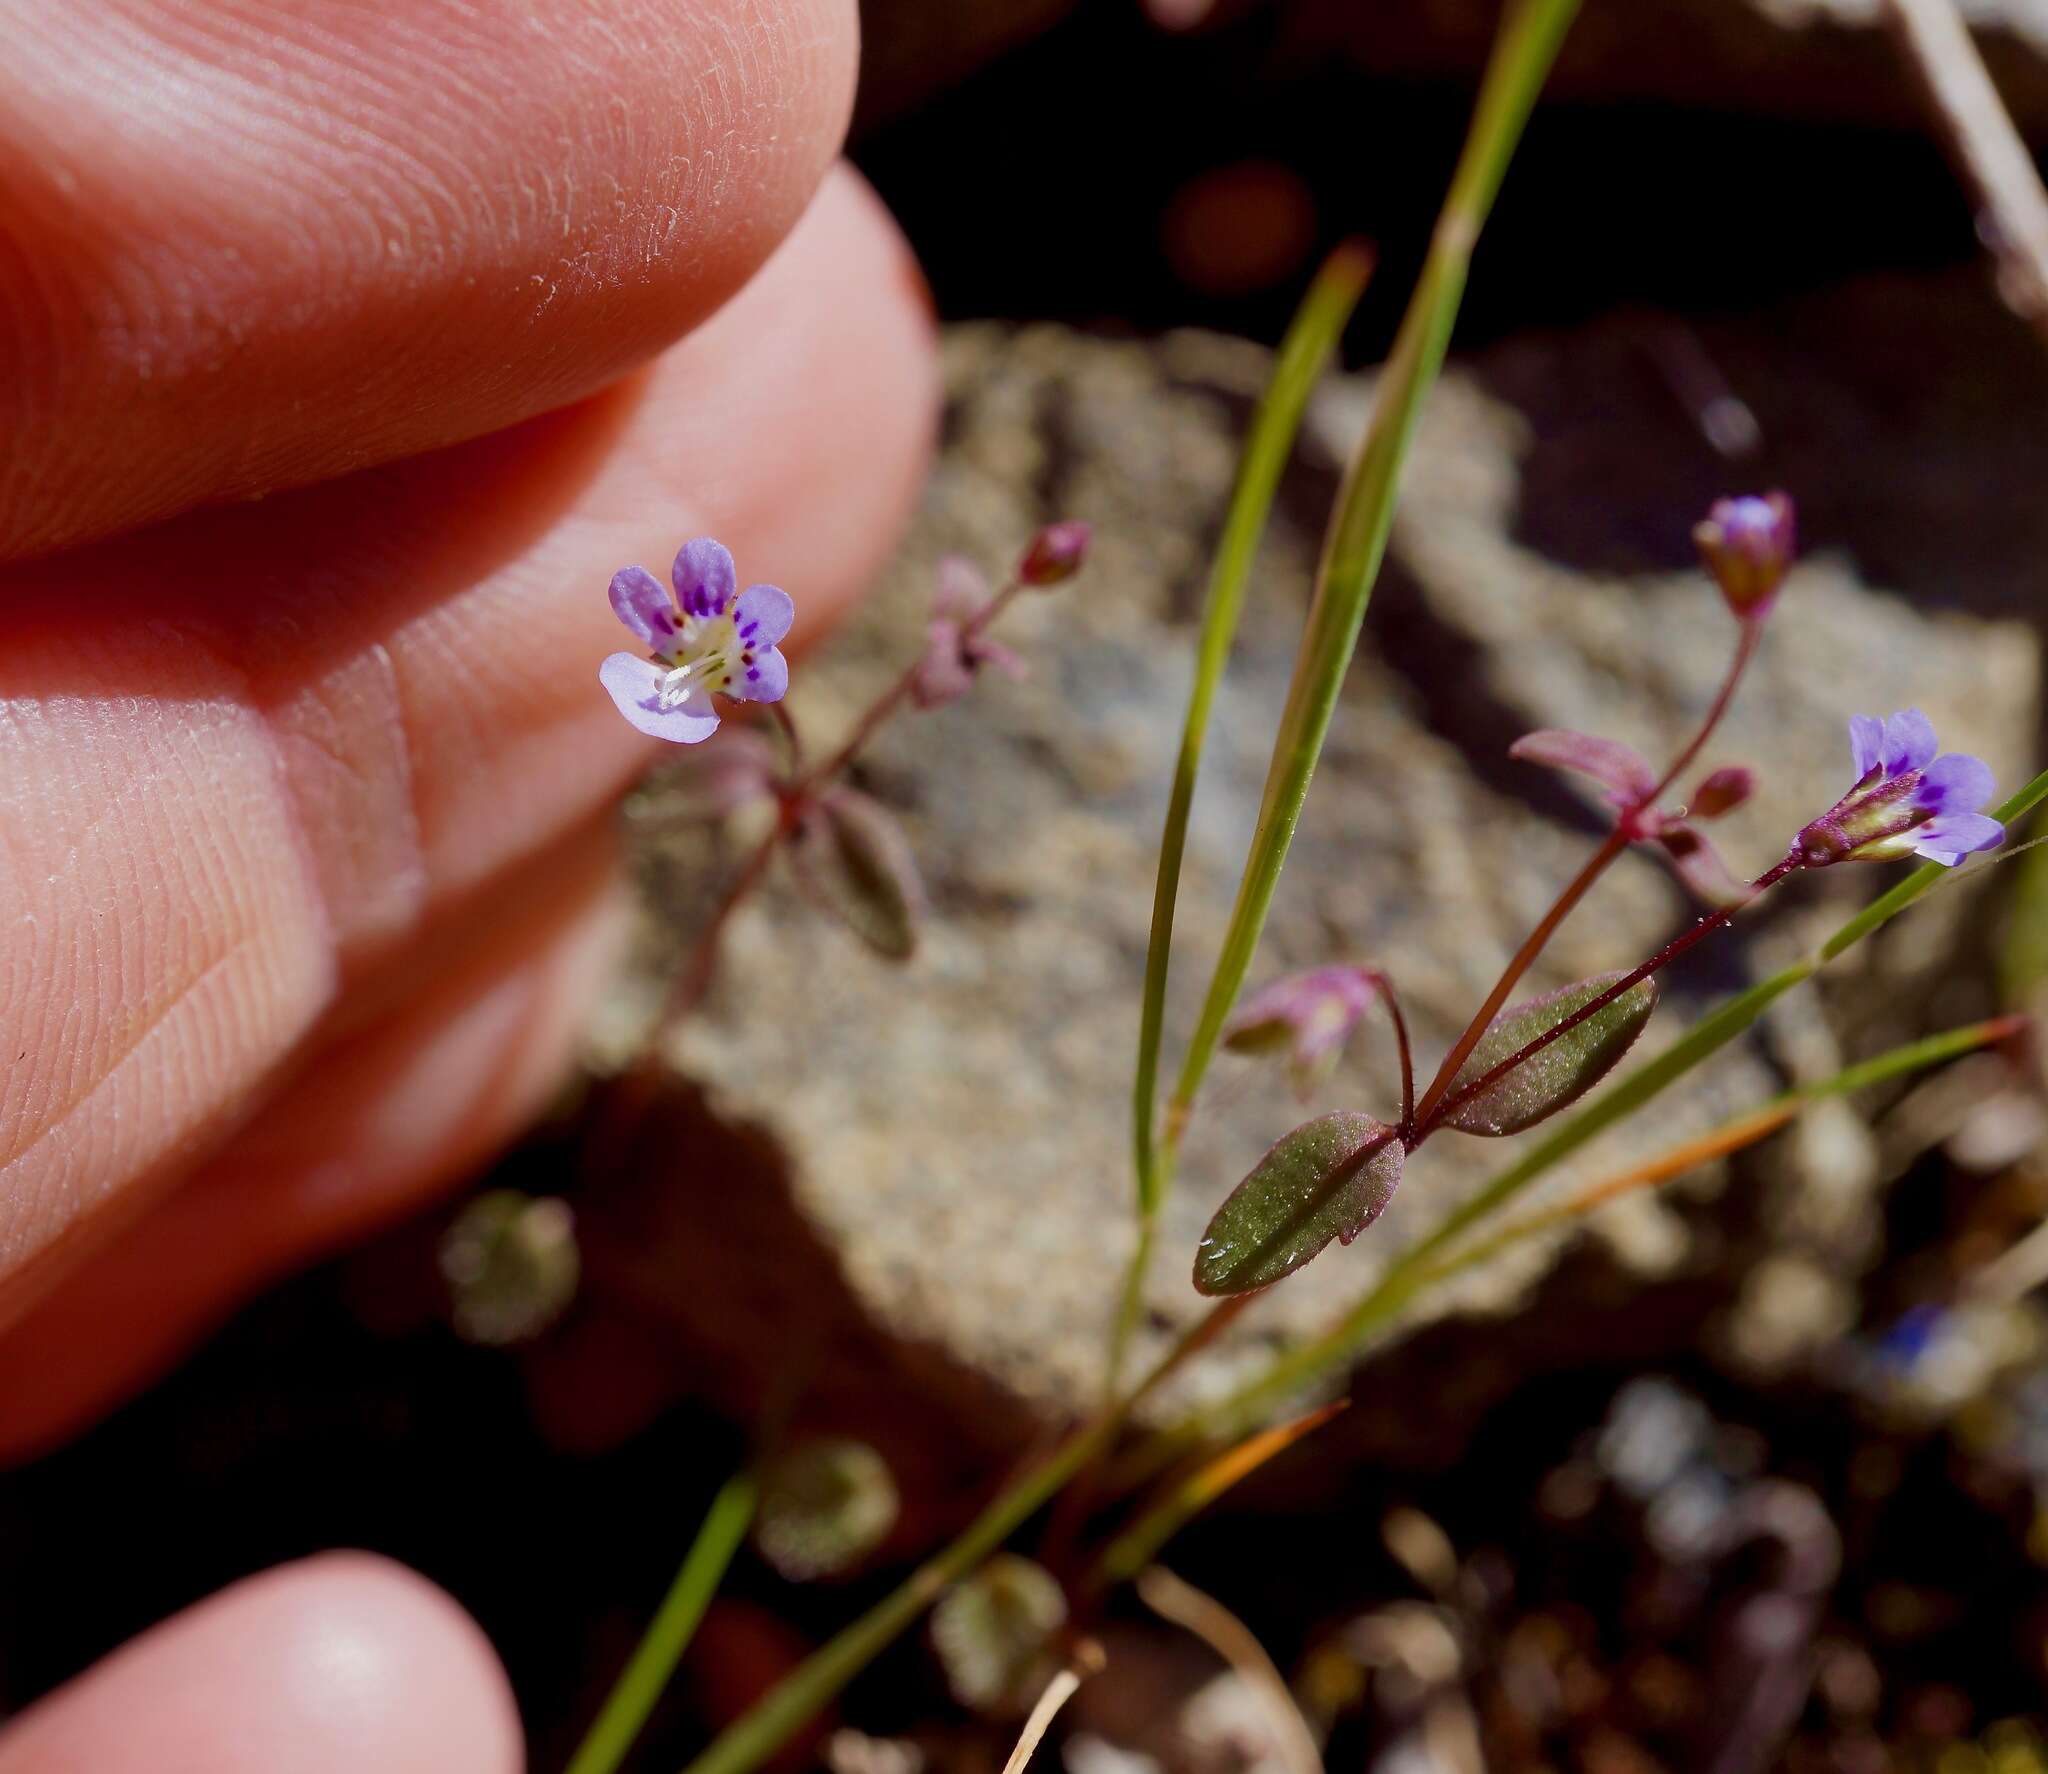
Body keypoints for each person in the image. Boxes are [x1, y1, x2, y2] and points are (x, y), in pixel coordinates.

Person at [0, 0, 935, 1761]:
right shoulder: (685, 679)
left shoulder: (722, 676)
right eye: (702, 638)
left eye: (716, 639)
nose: (706, 643)